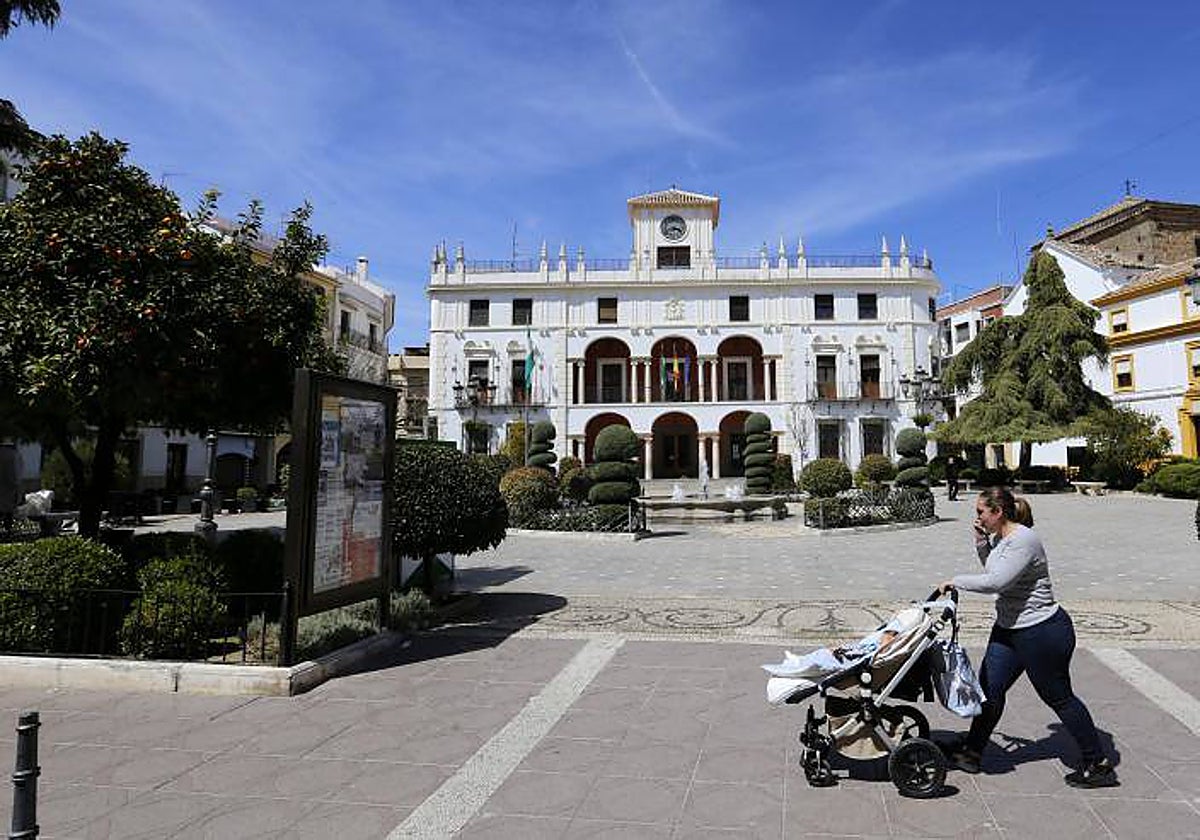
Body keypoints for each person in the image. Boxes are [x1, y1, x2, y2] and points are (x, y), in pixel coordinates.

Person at [938, 487, 1117, 788]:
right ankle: (972, 751)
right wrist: (982, 542)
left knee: (1058, 697)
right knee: (989, 690)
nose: (977, 517)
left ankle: (1097, 763)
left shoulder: (1024, 540)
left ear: (998, 512)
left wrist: (955, 581)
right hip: (1010, 629)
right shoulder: (1003, 539)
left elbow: (998, 581)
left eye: (981, 511)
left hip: (1042, 631)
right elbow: (994, 567)